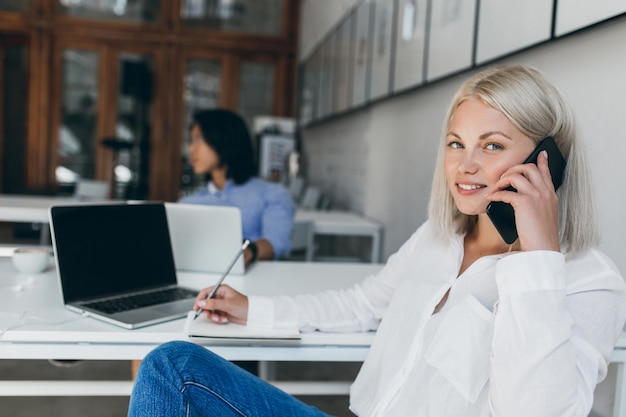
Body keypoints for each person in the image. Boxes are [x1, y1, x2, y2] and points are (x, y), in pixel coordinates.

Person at [128, 65, 626, 416]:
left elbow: (536, 412)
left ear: (546, 161)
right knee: (172, 365)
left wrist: (538, 258)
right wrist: (253, 309)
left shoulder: (588, 280)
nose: (465, 165)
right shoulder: (438, 238)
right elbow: (361, 303)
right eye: (456, 143)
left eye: (491, 146)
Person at [179, 109, 295, 265]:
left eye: (198, 138)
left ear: (223, 139)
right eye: (191, 141)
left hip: (252, 282)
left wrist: (249, 252)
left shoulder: (272, 194)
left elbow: (277, 243)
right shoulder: (186, 204)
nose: (191, 149)